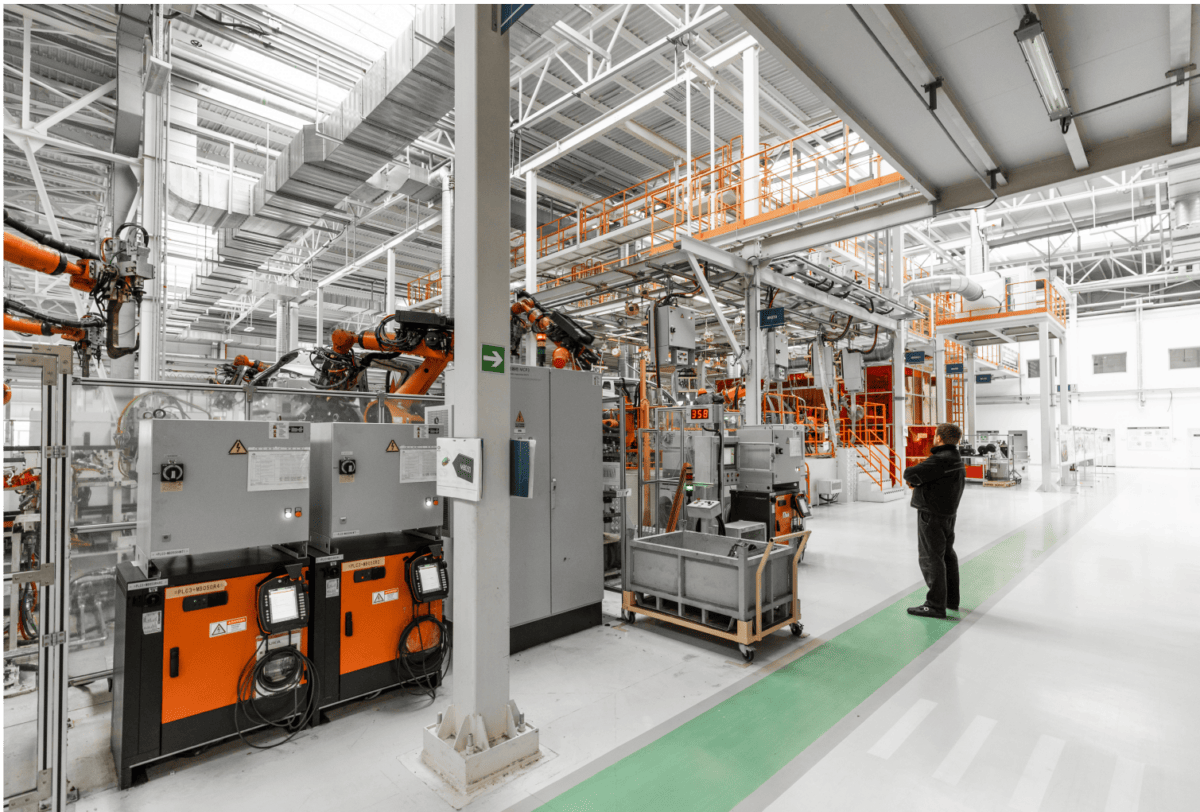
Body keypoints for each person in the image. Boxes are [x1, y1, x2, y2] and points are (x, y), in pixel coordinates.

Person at [902, 422, 966, 619]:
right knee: (947, 556)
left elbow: (910, 473)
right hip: (948, 514)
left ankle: (935, 605)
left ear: (939, 438)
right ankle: (950, 600)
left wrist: (915, 481)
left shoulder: (940, 459)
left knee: (931, 558)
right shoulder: (955, 457)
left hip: (932, 515)